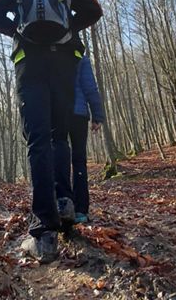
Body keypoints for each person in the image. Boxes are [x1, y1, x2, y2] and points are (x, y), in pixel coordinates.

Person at [0, 0, 102, 263]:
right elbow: (94, 10)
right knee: (59, 136)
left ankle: (44, 233)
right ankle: (65, 202)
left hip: (29, 64)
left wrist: (18, 31)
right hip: (63, 65)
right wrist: (67, 31)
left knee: (37, 141)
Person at [69, 53, 105, 224]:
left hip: (57, 112)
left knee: (57, 157)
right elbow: (90, 87)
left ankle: (61, 203)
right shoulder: (80, 56)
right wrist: (97, 115)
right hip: (79, 113)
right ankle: (80, 210)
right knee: (79, 160)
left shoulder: (51, 50)